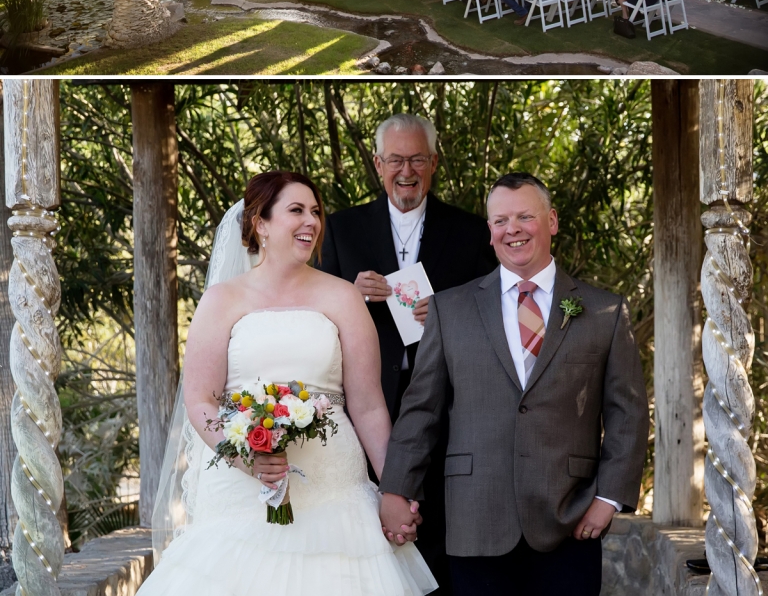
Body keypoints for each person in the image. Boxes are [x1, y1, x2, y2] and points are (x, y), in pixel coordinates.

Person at [145, 172, 436, 596]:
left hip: (334, 490)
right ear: (260, 223)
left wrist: (394, 488)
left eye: (316, 212)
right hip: (241, 491)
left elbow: (370, 406)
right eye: (296, 210)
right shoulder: (222, 301)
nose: (311, 222)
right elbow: (200, 401)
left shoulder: (343, 297)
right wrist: (246, 457)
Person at [379, 173, 649, 596]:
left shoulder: (604, 311)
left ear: (552, 221)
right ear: (490, 232)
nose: (513, 229)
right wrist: (396, 489)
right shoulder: (451, 309)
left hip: (570, 518)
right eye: (501, 220)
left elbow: (627, 414)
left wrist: (609, 498)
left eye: (525, 216)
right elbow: (421, 411)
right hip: (474, 519)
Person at [321, 116, 497, 590]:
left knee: (438, 533)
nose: (407, 170)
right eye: (396, 159)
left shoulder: (470, 231)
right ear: (378, 165)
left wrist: (445, 310)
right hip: (363, 407)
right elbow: (314, 319)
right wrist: (347, 294)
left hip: (450, 406)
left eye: (417, 158)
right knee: (369, 536)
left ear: (434, 163)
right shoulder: (341, 229)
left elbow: (492, 315)